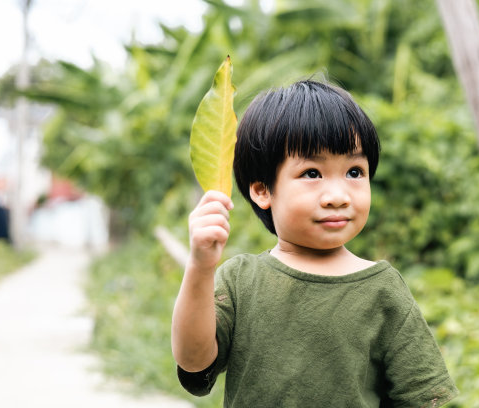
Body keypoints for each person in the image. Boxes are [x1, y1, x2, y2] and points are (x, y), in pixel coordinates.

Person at [172, 80, 458, 407]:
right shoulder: (240, 280)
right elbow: (194, 361)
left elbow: (422, 397)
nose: (337, 197)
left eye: (354, 171)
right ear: (263, 190)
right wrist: (200, 266)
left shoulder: (383, 290)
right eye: (312, 173)